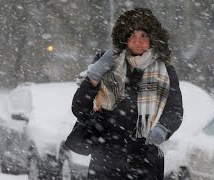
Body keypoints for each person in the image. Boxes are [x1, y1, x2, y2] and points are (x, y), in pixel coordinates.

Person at [68, 7, 183, 180]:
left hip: (146, 160)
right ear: (124, 38)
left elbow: (175, 110)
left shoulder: (166, 71)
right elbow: (80, 109)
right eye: (132, 36)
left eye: (144, 36)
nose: (138, 41)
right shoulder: (107, 63)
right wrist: (93, 77)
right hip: (106, 157)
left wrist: (163, 128)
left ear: (153, 39)